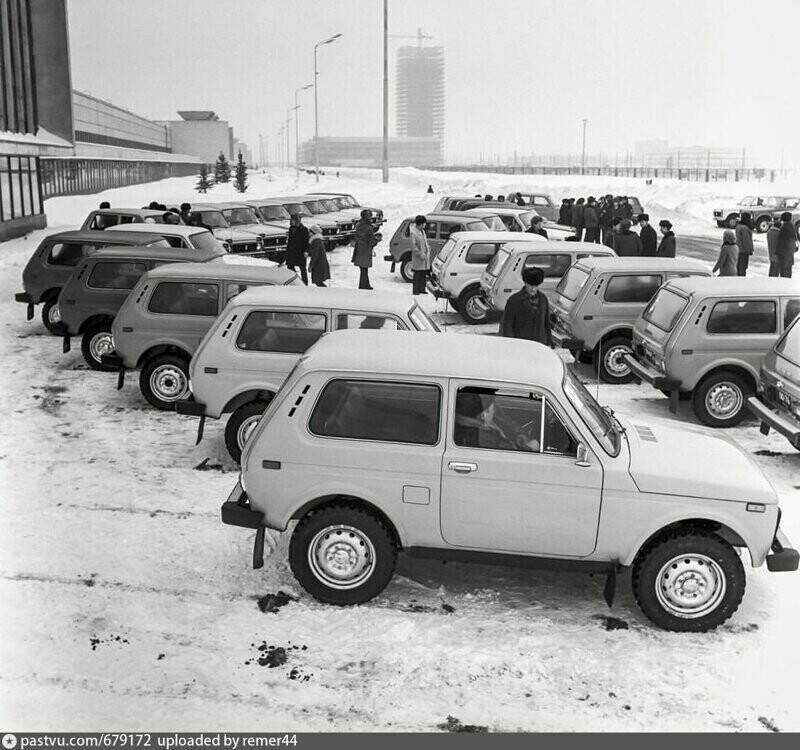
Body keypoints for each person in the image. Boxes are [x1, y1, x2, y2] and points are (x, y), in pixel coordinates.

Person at [500, 266, 552, 346]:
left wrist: (549, 343)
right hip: (521, 344)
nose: (533, 289)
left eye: (536, 285)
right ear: (525, 283)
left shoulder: (543, 299)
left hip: (540, 344)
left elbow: (547, 323)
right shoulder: (514, 301)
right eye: (530, 285)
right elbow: (507, 326)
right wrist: (510, 344)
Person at [352, 209, 377, 289]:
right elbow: (371, 242)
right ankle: (363, 286)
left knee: (363, 269)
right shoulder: (368, 228)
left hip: (359, 250)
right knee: (364, 269)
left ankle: (366, 285)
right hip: (365, 250)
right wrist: (376, 240)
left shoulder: (358, 225)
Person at [409, 214, 430, 295]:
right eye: (424, 223)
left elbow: (425, 242)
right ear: (420, 224)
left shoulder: (422, 231)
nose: (425, 225)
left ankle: (422, 289)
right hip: (418, 257)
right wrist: (420, 253)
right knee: (417, 274)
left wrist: (427, 250)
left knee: (423, 274)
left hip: (424, 255)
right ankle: (416, 290)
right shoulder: (413, 233)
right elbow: (413, 246)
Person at [286, 213, 309, 285]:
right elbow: (290, 241)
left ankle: (305, 283)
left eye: (293, 220)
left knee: (302, 268)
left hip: (300, 251)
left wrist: (306, 251)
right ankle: (294, 281)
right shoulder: (291, 228)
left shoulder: (304, 229)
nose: (291, 221)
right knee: (290, 266)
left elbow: (306, 241)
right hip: (292, 251)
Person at [776, 211, 798, 278]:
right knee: (788, 269)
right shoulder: (792, 227)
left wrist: (778, 251)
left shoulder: (784, 227)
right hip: (790, 251)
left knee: (784, 270)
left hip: (784, 251)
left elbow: (781, 241)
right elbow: (795, 239)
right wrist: (795, 248)